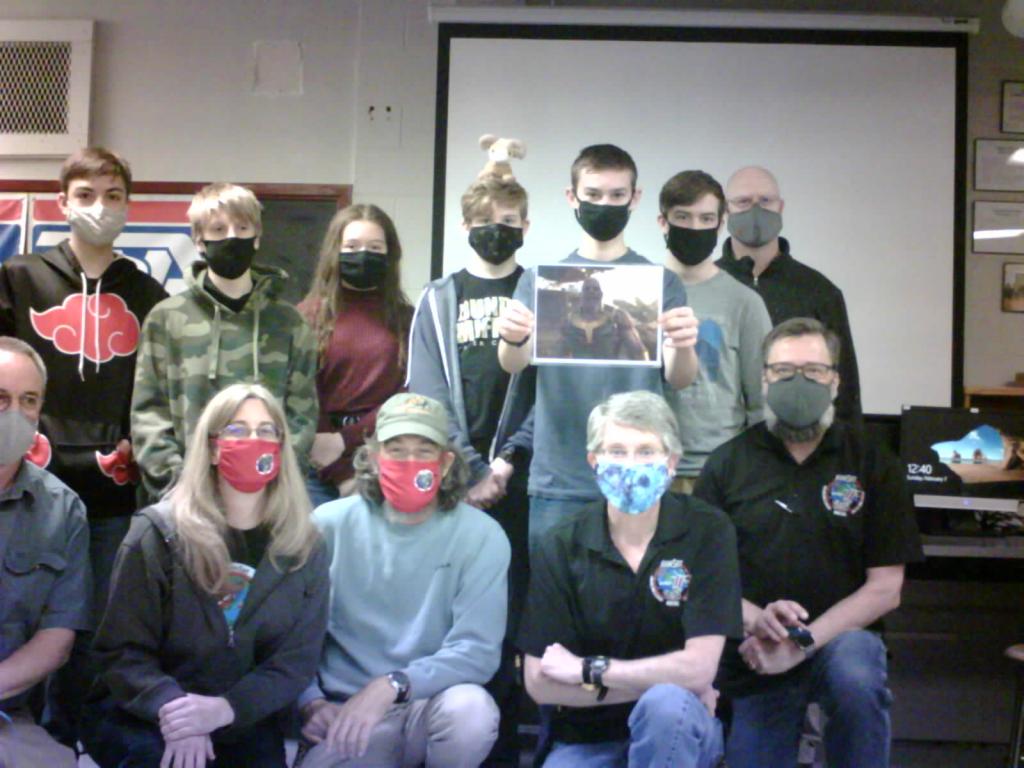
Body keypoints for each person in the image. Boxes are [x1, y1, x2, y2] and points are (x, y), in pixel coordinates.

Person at [694, 317, 922, 768]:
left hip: (841, 646)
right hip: (756, 650)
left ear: (835, 382)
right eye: (783, 371)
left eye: (814, 371)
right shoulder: (726, 465)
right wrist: (761, 622)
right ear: (763, 379)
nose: (799, 381)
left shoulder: (874, 462)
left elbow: (886, 588)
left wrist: (800, 641)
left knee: (857, 678)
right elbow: (703, 581)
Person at [0, 146, 166, 744]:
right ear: (62, 202)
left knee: (96, 629)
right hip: (24, 485)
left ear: (129, 204)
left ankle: (76, 744)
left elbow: (154, 396)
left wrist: (133, 449)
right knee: (21, 613)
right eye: (87, 195)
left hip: (113, 492)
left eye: (114, 196)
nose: (101, 207)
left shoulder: (148, 293)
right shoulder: (19, 277)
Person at [82, 383, 329, 768]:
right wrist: (179, 712)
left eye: (266, 431)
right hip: (146, 711)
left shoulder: (304, 545)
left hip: (239, 716)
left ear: (281, 447)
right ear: (213, 447)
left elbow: (295, 662)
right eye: (236, 429)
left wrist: (226, 709)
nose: (253, 440)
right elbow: (120, 652)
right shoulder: (156, 533)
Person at [518, 390, 741, 767]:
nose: (631, 464)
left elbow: (701, 667)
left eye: (646, 452)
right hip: (587, 737)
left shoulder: (708, 530)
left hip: (680, 729)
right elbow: (539, 682)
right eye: (616, 452)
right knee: (667, 694)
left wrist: (588, 671)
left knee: (666, 705)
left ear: (672, 462)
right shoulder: (560, 543)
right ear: (594, 461)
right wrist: (671, 678)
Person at [496, 144, 699, 545]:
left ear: (634, 198)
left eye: (617, 195)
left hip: (635, 469)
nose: (604, 204)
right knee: (556, 600)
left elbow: (679, 377)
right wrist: (513, 334)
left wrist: (684, 342)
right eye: (593, 194)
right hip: (560, 473)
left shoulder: (661, 283)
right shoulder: (539, 279)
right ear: (572, 197)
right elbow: (512, 363)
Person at [299, 392, 509, 768]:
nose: (409, 462)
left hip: (429, 706)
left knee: (472, 713)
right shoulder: (327, 526)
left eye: (423, 450)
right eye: (396, 449)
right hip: (346, 712)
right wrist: (309, 703)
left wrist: (392, 685)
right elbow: (290, 634)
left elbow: (477, 652)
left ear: (445, 463)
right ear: (374, 457)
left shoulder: (482, 536)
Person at [407, 175, 535, 767]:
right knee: (457, 617)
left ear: (526, 227)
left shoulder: (542, 291)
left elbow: (549, 389)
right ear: (465, 226)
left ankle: (506, 747)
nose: (498, 229)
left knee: (515, 623)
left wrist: (508, 462)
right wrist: (476, 469)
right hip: (458, 488)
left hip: (529, 484)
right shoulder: (438, 298)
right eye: (487, 219)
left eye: (510, 219)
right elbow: (427, 393)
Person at [132, 182, 318, 504]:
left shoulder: (289, 323)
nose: (232, 237)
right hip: (183, 500)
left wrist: (272, 483)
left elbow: (301, 418)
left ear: (257, 237)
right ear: (199, 241)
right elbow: (149, 414)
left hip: (266, 500)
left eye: (242, 227)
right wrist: (179, 487)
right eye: (218, 228)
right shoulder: (166, 319)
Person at [0, 337, 90, 768]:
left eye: (28, 400)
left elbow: (56, 641)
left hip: (6, 716)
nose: (14, 413)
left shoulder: (62, 510)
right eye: (0, 397)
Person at [716, 165, 861, 420]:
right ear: (726, 211)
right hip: (718, 444)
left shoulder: (819, 291)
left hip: (796, 442)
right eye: (743, 202)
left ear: (780, 207)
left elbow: (846, 390)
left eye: (765, 200)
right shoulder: (707, 284)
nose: (755, 209)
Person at [658, 170, 772, 492]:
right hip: (647, 464)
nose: (695, 228)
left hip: (720, 470)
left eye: (706, 218)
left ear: (720, 224)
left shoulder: (745, 303)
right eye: (683, 217)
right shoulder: (640, 293)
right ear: (662, 222)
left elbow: (760, 401)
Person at [298, 203, 413, 508]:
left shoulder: (408, 319)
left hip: (385, 457)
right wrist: (339, 471)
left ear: (390, 255)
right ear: (335, 251)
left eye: (375, 247)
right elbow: (299, 391)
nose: (364, 254)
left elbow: (409, 392)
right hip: (316, 466)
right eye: (352, 246)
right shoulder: (305, 317)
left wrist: (347, 442)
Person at [552, 276, 647, 361]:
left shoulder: (617, 317)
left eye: (595, 289)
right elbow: (558, 354)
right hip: (579, 375)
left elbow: (638, 351)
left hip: (609, 374)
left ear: (601, 294)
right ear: (581, 294)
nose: (591, 291)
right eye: (587, 289)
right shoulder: (569, 321)